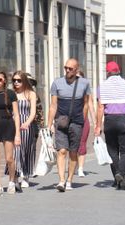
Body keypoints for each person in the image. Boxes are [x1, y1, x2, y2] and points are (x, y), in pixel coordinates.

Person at [46, 58, 91, 192]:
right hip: (61, 120)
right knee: (62, 151)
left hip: (77, 122)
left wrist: (83, 120)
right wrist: (49, 125)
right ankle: (61, 180)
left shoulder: (84, 84)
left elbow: (86, 103)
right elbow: (53, 105)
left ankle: (69, 180)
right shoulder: (57, 83)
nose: (67, 70)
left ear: (76, 70)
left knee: (73, 152)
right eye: (66, 67)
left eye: (70, 68)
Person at [94, 61, 125, 190]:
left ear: (108, 72)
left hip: (109, 120)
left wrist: (98, 125)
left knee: (112, 150)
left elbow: (100, 107)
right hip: (124, 120)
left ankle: (117, 175)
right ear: (118, 71)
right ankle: (121, 175)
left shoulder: (102, 86)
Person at [11, 71, 37, 188]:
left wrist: (27, 123)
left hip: (26, 124)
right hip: (13, 124)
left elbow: (33, 112)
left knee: (26, 150)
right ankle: (15, 176)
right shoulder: (11, 94)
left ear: (24, 81)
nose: (16, 82)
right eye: (14, 80)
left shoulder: (30, 94)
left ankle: (26, 175)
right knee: (15, 152)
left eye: (19, 80)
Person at [76, 70, 96, 177]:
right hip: (72, 121)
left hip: (84, 121)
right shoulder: (68, 91)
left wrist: (95, 123)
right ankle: (74, 165)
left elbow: (91, 107)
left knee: (82, 144)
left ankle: (80, 168)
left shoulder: (86, 92)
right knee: (72, 145)